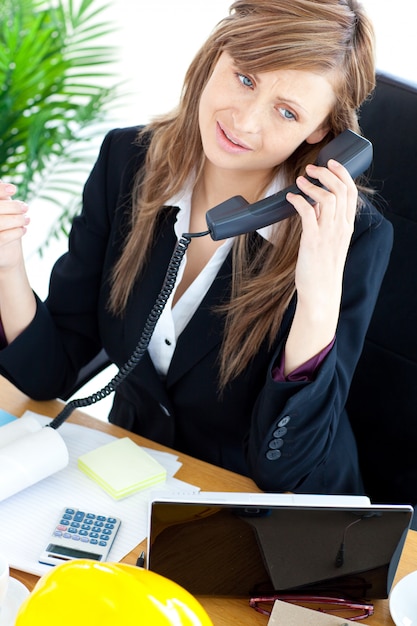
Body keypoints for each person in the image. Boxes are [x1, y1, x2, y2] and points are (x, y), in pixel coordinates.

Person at [0, 0, 393, 495]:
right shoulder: (129, 162)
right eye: (246, 78)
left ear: (321, 132)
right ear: (217, 54)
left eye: (287, 111)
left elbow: (282, 470)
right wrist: (7, 264)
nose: (245, 122)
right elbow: (47, 376)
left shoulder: (351, 237)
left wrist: (317, 292)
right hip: (138, 478)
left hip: (269, 520)